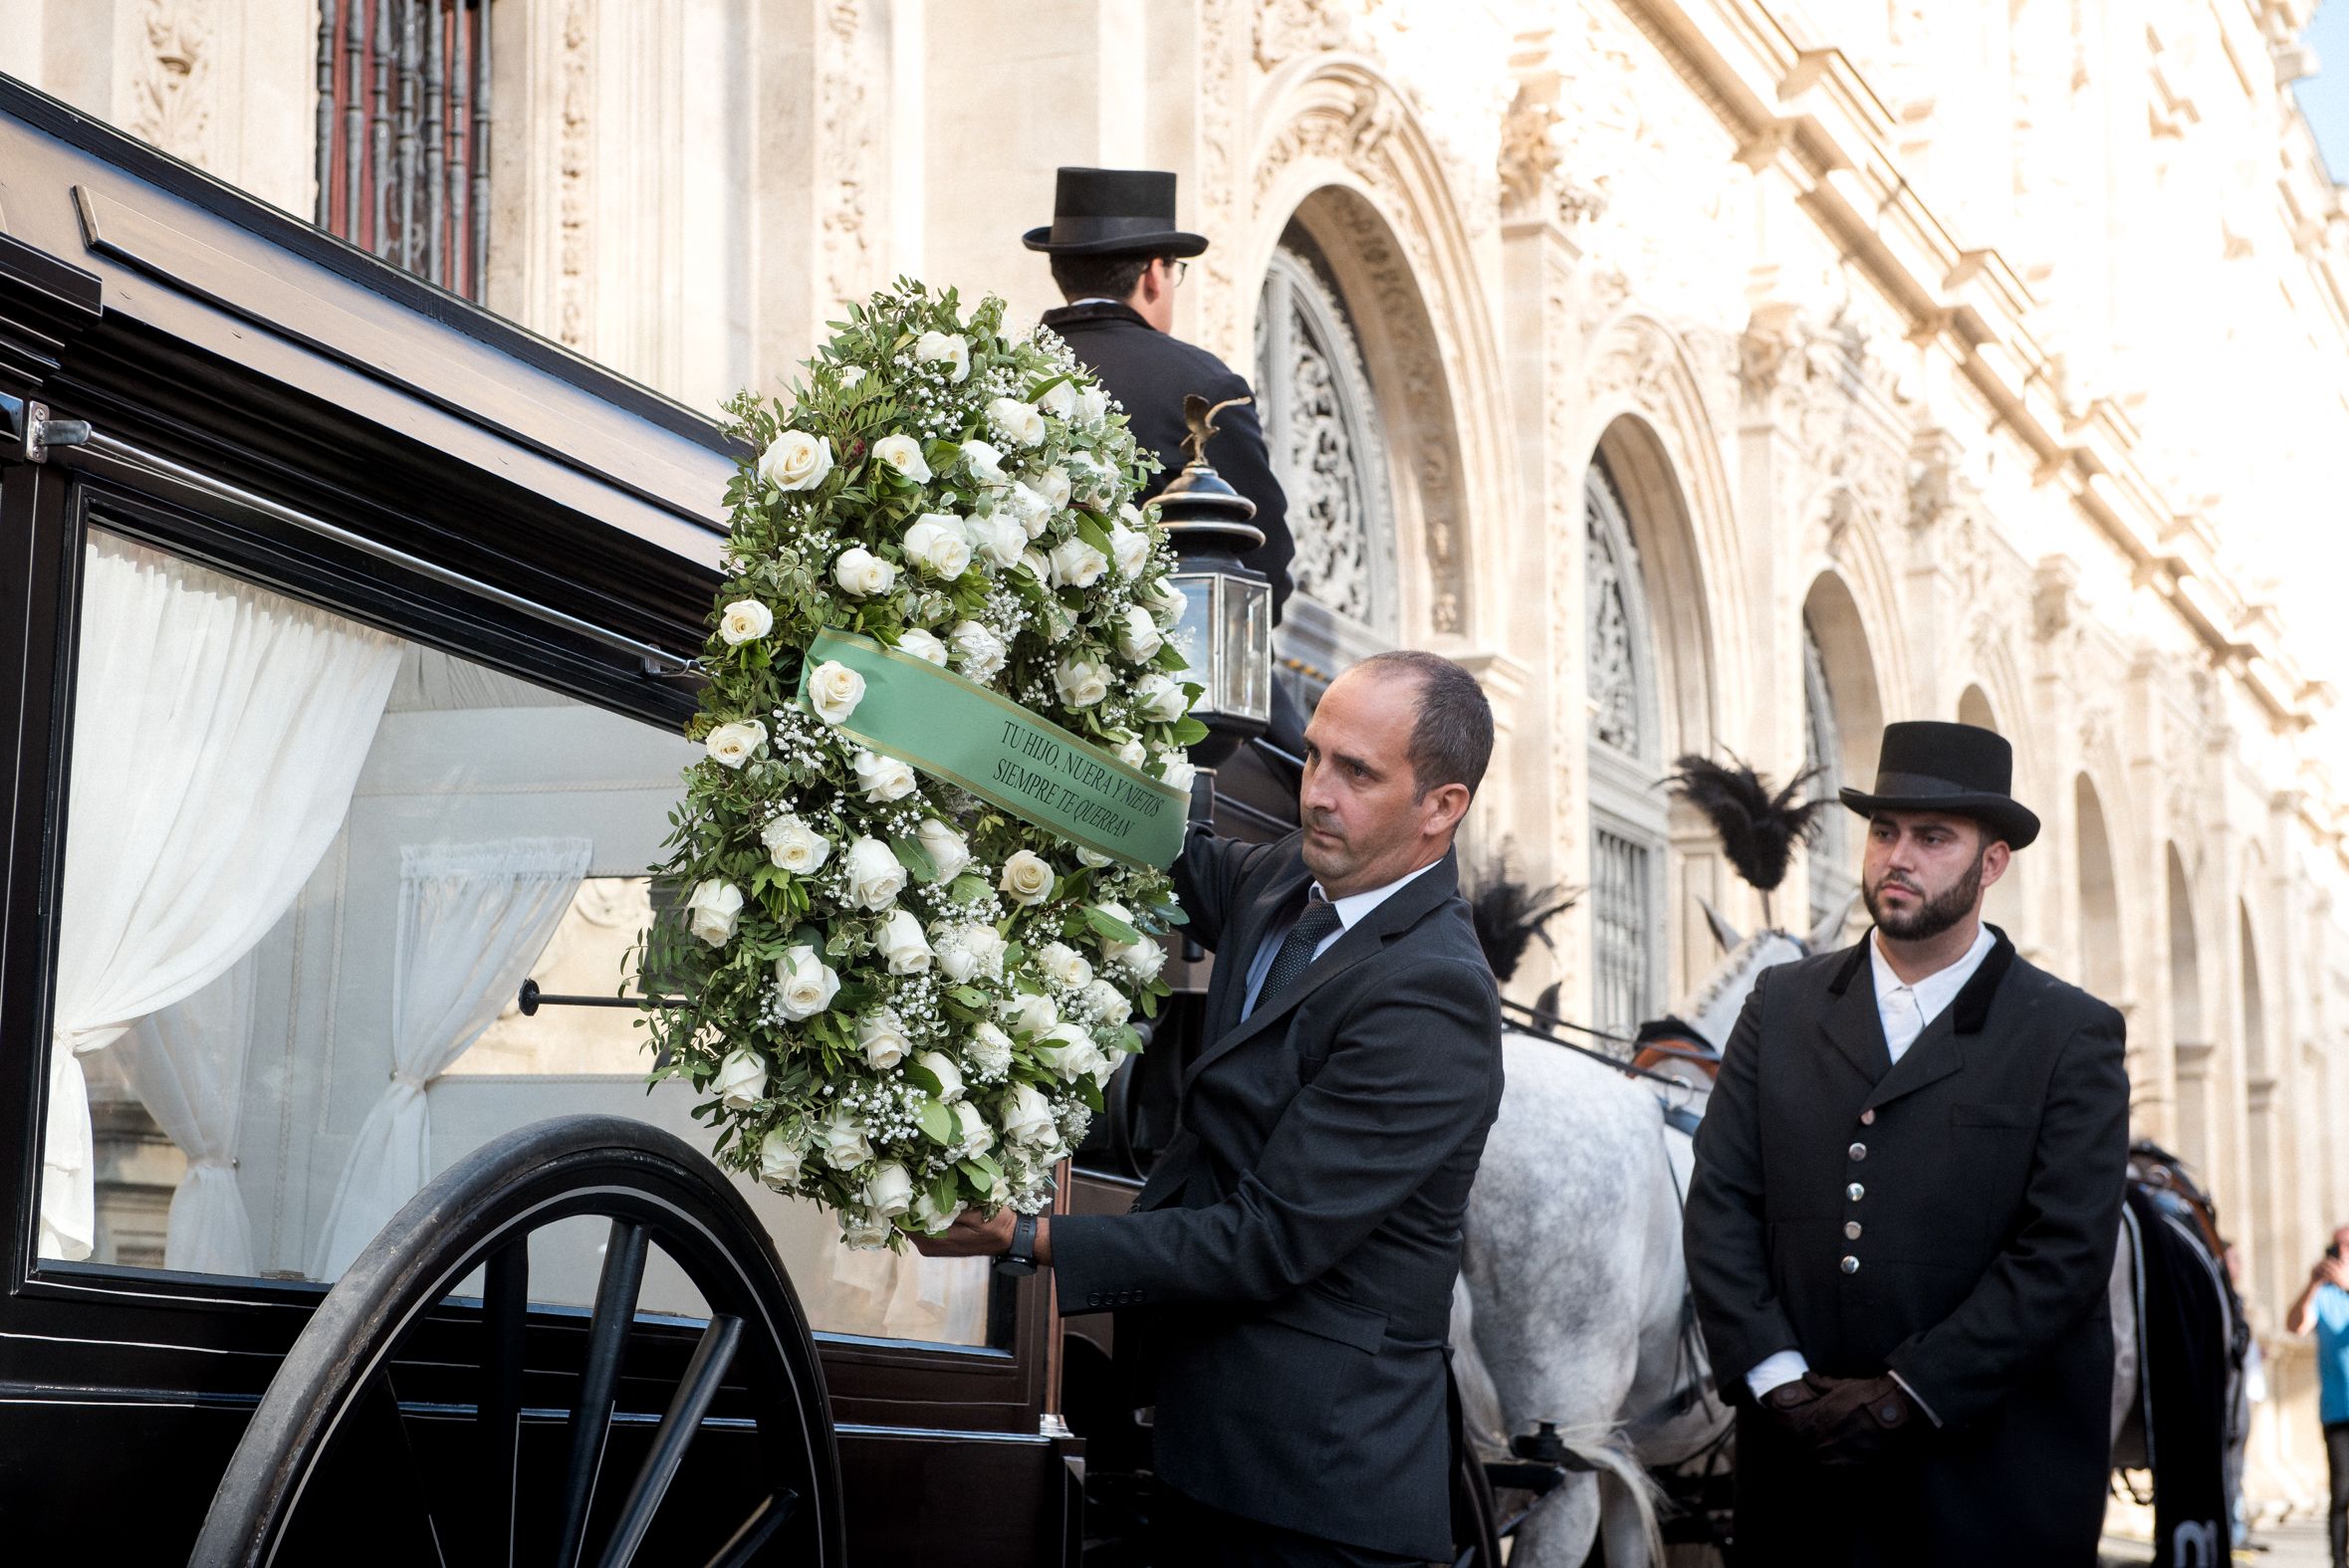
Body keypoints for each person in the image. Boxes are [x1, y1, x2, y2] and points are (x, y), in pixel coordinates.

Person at [916, 650, 1504, 1566]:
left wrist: (1025, 1235)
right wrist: (955, 717)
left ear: (1442, 806)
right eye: (1314, 755)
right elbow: (1159, 843)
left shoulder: (1435, 994)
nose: (1317, 792)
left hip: (1317, 1498)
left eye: (1357, 772)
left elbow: (1268, 1238)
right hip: (1198, 1450)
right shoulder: (1284, 878)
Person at [1683, 720, 2130, 1565]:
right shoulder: (1779, 1005)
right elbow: (1720, 1205)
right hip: (1801, 1482)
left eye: (1932, 838)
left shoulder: (2068, 1032)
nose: (1897, 856)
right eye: (1883, 831)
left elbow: (2062, 1255)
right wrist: (1778, 1382)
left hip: (1987, 1489)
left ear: (1991, 863)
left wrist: (1906, 1394)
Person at [1027, 165, 1295, 623]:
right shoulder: (1205, 386)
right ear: (1154, 273)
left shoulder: (1002, 372)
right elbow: (1263, 563)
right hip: (1160, 656)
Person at [2285, 1226, 2349, 1567]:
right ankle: (2338, 1560)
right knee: (2341, 1491)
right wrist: (2312, 1285)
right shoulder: (2324, 1296)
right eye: (2337, 1247)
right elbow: (2295, 1325)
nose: (2341, 1254)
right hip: (2337, 1409)